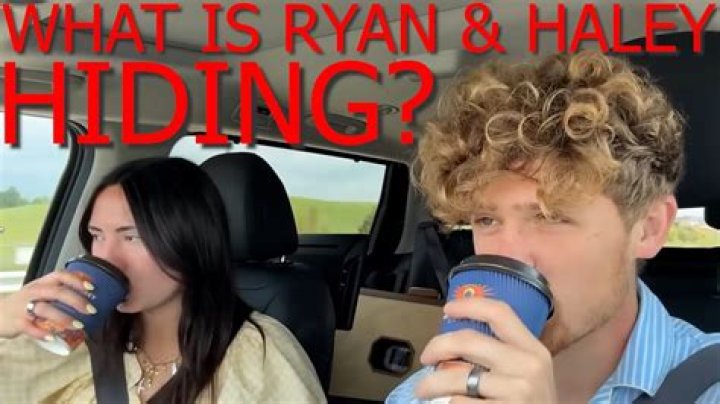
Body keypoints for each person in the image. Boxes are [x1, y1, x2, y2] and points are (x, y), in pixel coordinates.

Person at [386, 51, 720, 403]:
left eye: (550, 216)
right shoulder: (420, 394)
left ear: (649, 228)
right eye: (486, 220)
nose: (508, 258)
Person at [0, 157, 325, 403]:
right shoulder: (79, 332)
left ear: (189, 241)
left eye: (132, 237)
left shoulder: (259, 353)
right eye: (97, 236)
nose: (106, 257)